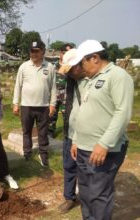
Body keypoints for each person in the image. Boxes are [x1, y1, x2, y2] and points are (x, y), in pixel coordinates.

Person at [69, 40, 134, 219]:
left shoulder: (118, 76)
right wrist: (76, 139)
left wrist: (104, 144)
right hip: (83, 147)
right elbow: (84, 111)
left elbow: (123, 112)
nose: (81, 68)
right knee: (85, 191)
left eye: (82, 62)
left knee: (98, 194)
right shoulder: (90, 80)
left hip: (103, 150)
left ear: (95, 58)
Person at [12, 40, 57, 166]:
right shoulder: (24, 67)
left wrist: (52, 104)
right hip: (27, 106)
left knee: (43, 132)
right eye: (32, 51)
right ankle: (27, 154)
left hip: (43, 106)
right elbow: (18, 86)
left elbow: (53, 87)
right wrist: (16, 103)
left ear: (42, 51)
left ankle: (43, 155)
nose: (34, 53)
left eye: (37, 51)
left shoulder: (49, 67)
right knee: (26, 131)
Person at [56, 49, 87, 213]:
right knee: (69, 165)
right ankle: (69, 198)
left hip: (87, 135)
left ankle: (87, 197)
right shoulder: (69, 79)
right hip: (70, 131)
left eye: (71, 69)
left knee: (86, 168)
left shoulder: (90, 81)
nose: (69, 73)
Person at [48, 43, 74, 137]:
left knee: (66, 115)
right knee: (51, 115)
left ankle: (67, 135)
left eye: (69, 52)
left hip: (67, 95)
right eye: (65, 52)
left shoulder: (72, 67)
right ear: (60, 54)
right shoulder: (52, 66)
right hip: (54, 94)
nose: (67, 54)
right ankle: (50, 133)